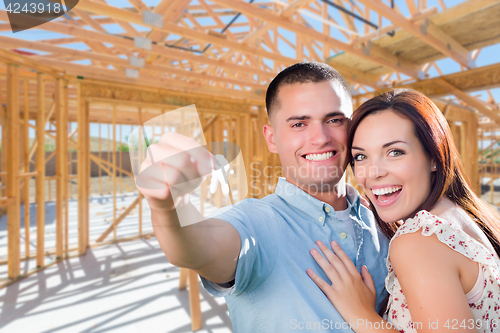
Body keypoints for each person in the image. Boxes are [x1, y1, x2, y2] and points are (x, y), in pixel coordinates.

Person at [136, 61, 389, 332]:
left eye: (334, 120)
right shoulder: (257, 222)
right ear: (271, 138)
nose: (320, 138)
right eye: (299, 124)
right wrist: (169, 207)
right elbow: (198, 247)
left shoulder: (381, 217)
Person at [307, 89, 500, 333]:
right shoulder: (461, 215)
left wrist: (362, 315)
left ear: (433, 156)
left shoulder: (418, 241)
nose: (373, 172)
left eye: (395, 152)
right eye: (361, 156)